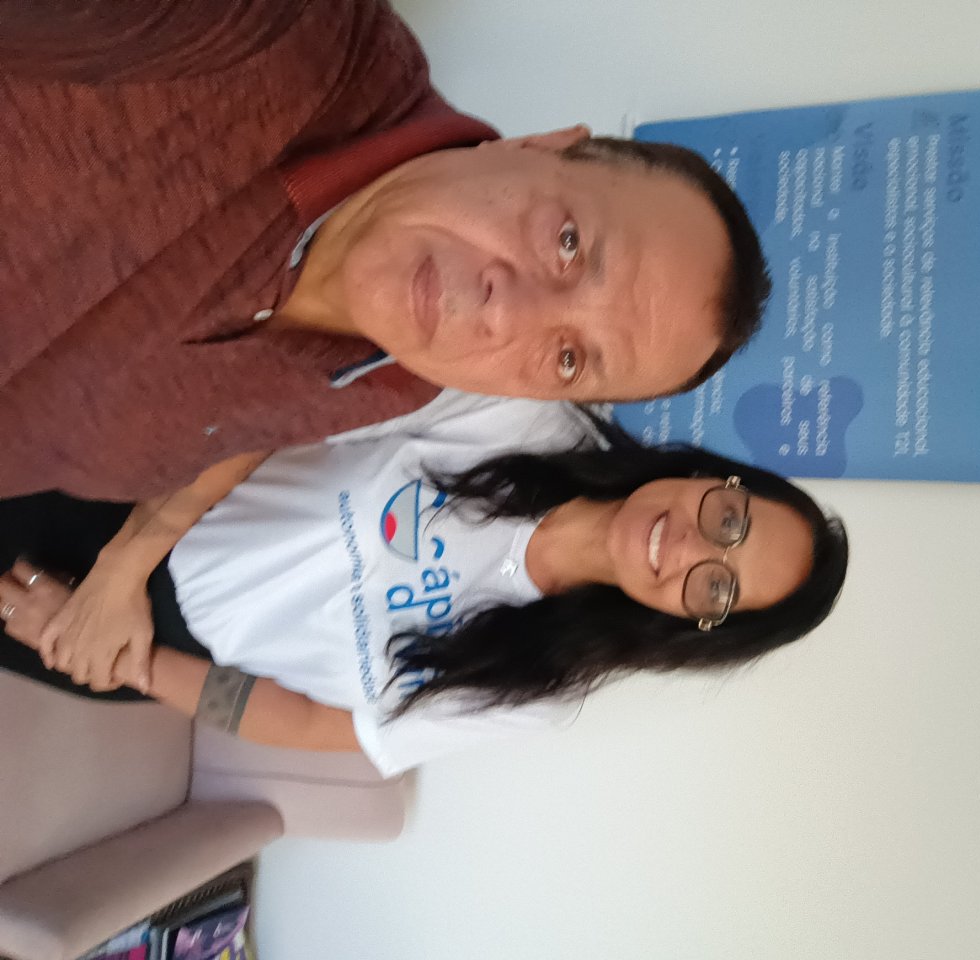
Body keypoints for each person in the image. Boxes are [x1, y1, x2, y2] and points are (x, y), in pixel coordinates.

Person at [1, 0, 770, 692]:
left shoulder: (390, 378)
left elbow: (242, 424)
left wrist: (129, 571)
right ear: (542, 146)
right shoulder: (275, 39)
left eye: (568, 357)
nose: (508, 310)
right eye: (568, 242)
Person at [0, 395, 848, 776]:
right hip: (144, 495)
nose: (692, 549)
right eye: (730, 520)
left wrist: (132, 664)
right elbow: (283, 412)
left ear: (694, 626)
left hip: (142, 641)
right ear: (714, 479)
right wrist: (121, 568)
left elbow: (314, 724)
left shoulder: (536, 689)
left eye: (717, 589)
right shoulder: (528, 418)